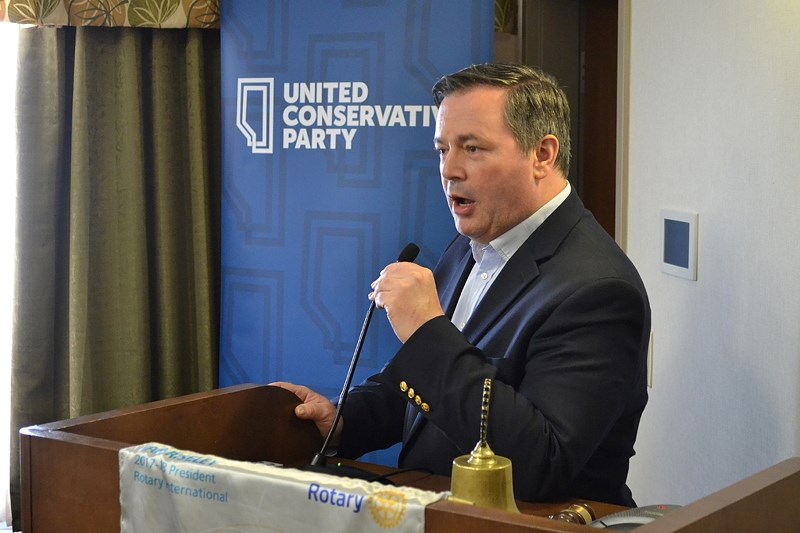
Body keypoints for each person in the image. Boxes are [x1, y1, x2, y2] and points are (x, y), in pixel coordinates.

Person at [274, 63, 650, 507]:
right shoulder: (478, 240)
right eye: (442, 149)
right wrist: (342, 422)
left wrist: (426, 331)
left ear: (542, 155)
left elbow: (538, 464)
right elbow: (424, 388)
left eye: (472, 148)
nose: (449, 169)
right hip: (436, 509)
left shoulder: (599, 291)